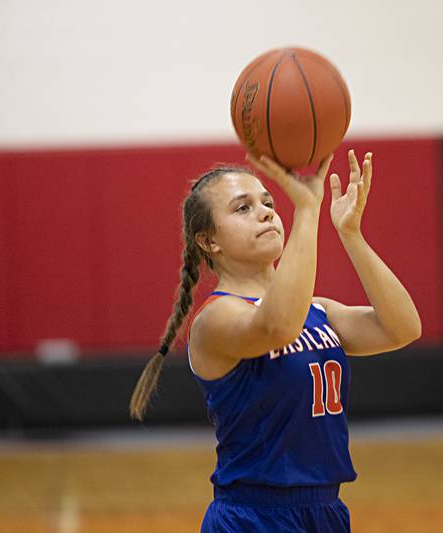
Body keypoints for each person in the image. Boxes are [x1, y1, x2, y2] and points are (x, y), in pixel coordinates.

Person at [130, 149, 421, 532]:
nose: (266, 212)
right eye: (243, 208)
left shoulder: (318, 311)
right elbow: (278, 326)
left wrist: (351, 234)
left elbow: (403, 328)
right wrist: (307, 212)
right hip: (253, 517)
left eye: (268, 202)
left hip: (326, 511)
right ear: (209, 241)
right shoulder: (215, 320)